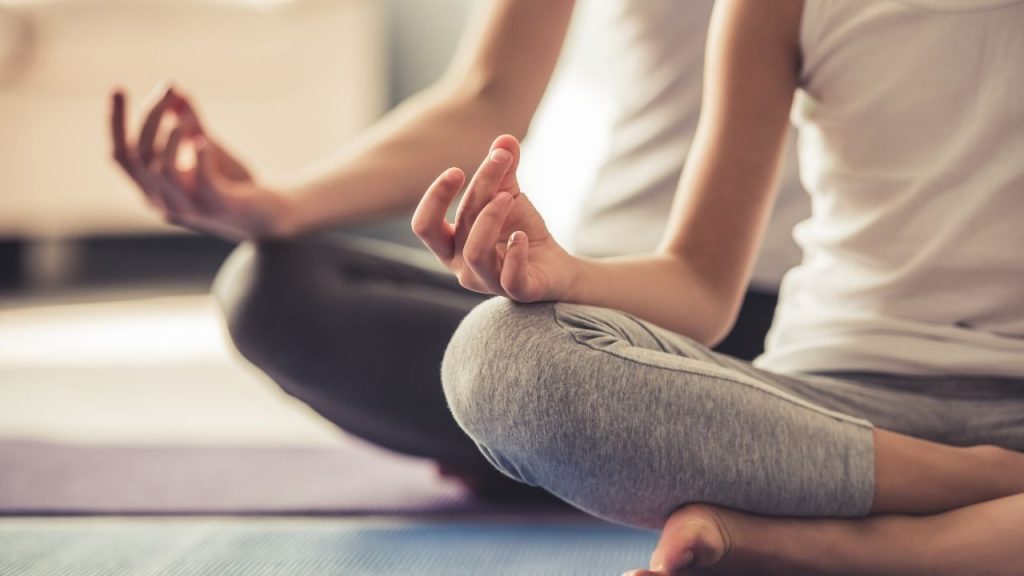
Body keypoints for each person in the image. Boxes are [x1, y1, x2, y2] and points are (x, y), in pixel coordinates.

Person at [412, 0, 1024, 573]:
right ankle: (985, 490)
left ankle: (838, 548)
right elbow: (699, 286)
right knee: (501, 355)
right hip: (821, 408)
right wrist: (564, 273)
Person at [109, 1, 807, 495]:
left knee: (526, 370)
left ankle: (556, 457)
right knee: (272, 289)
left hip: (770, 320)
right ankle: (571, 455)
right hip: (589, 296)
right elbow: (486, 95)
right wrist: (277, 205)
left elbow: (701, 288)